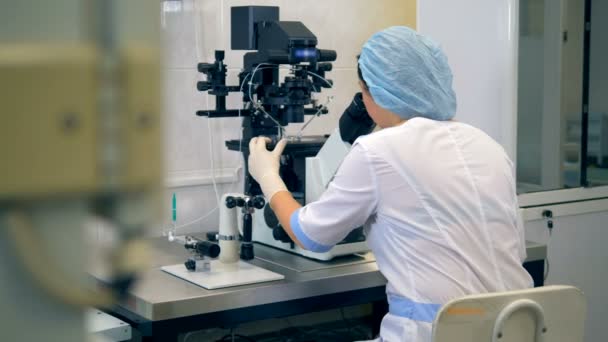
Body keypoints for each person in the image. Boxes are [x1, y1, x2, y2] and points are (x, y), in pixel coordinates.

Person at [247, 26, 533, 341]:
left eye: (363, 92)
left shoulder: (378, 150)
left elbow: (309, 234)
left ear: (376, 92)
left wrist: (268, 176)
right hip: (514, 331)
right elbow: (515, 249)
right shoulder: (488, 145)